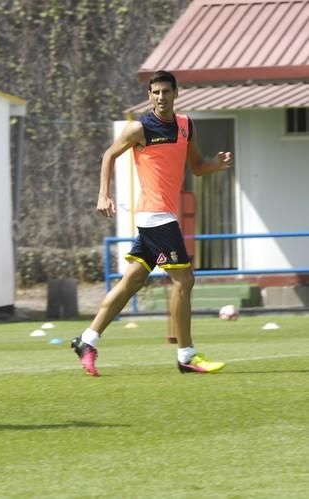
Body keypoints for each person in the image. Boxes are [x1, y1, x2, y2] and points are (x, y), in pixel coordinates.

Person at [71, 70, 233, 376]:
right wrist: (104, 194)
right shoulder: (139, 128)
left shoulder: (186, 126)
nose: (161, 97)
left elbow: (197, 168)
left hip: (159, 217)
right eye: (155, 92)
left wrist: (217, 165)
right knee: (184, 280)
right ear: (149, 96)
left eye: (166, 92)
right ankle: (186, 355)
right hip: (155, 215)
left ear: (175, 94)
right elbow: (109, 155)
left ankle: (87, 340)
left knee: (131, 281)